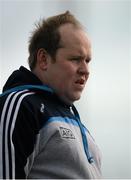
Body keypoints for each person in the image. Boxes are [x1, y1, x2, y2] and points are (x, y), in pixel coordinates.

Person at [0, 11, 102, 179]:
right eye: (76, 59)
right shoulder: (19, 105)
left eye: (87, 60)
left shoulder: (75, 121)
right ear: (43, 59)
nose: (85, 70)